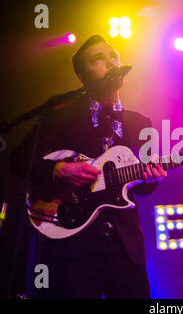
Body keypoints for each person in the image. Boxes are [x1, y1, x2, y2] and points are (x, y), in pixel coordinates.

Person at [11, 34, 167, 298]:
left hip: (125, 247)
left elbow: (140, 189)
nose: (110, 62)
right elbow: (18, 159)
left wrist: (151, 180)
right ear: (82, 76)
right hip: (73, 244)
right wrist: (60, 169)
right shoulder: (61, 113)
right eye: (99, 59)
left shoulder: (140, 123)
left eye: (113, 56)